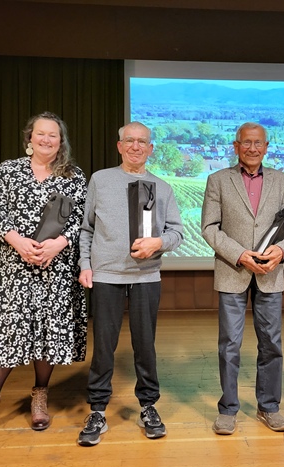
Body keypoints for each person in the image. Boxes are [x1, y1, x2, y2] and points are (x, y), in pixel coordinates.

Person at [0, 112, 88, 440]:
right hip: (15, 267)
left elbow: (81, 218)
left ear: (61, 141)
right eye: (40, 133)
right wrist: (16, 241)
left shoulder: (73, 175)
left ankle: (40, 396)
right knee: (7, 331)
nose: (46, 139)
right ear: (29, 137)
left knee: (47, 332)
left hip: (55, 267)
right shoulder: (8, 170)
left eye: (53, 135)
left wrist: (59, 244)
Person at [76, 121, 183, 446]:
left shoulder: (162, 187)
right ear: (120, 146)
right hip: (106, 275)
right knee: (103, 346)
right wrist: (85, 265)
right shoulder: (100, 180)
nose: (136, 146)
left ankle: (148, 406)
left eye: (142, 141)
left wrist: (158, 244)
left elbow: (177, 232)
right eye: (129, 140)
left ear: (150, 149)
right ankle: (97, 410)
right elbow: (86, 229)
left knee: (145, 345)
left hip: (146, 276)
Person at [201, 122, 284, 435]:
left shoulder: (283, 181)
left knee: (271, 343)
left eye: (258, 143)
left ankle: (269, 407)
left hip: (270, 272)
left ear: (266, 147)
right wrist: (240, 254)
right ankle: (228, 409)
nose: (252, 148)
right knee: (229, 344)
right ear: (236, 146)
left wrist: (281, 251)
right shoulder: (218, 180)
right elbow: (209, 228)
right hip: (233, 270)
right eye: (246, 142)